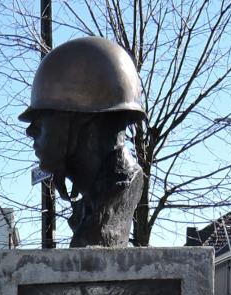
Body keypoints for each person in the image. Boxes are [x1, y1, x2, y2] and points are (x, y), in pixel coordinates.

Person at [19, 36, 146, 248]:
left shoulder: (116, 192)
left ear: (83, 120)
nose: (30, 131)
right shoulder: (87, 210)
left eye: (41, 119)